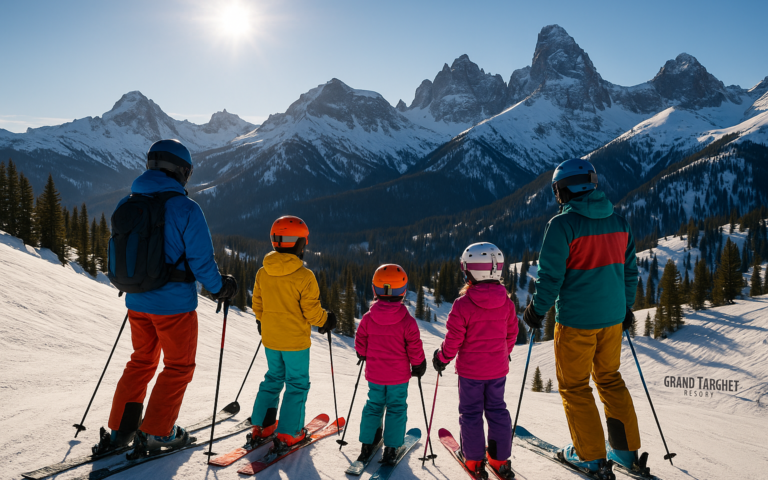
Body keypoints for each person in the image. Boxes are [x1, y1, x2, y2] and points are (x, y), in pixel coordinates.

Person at [94, 139, 238, 454]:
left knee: (141, 362)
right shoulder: (185, 207)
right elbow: (201, 262)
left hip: (136, 302)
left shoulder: (126, 203)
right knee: (178, 367)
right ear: (181, 172)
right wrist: (220, 287)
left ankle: (121, 429)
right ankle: (158, 432)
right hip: (174, 307)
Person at [523, 158, 641, 480]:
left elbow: (550, 277)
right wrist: (626, 308)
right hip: (613, 320)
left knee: (575, 387)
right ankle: (626, 452)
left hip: (577, 322)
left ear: (563, 190)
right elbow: (630, 271)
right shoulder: (619, 222)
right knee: (610, 379)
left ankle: (589, 457)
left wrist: (536, 311)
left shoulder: (562, 225)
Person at [248, 215, 336, 451]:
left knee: (273, 379)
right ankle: (289, 433)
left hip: (270, 339)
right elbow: (311, 312)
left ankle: (262, 426)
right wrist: (327, 320)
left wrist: (261, 321)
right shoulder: (304, 276)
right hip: (295, 343)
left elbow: (257, 304)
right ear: (300, 244)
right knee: (296, 383)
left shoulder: (262, 273)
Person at [433, 242, 518, 479]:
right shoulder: (507, 303)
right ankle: (500, 460)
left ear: (468, 271)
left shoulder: (463, 304)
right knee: (497, 410)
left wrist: (442, 358)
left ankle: (474, 461)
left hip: (471, 372)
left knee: (470, 413)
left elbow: (454, 340)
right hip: (498, 370)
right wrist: (503, 352)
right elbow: (511, 334)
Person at [354, 264, 426, 465]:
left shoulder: (368, 318)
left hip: (375, 375)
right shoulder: (407, 321)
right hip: (398, 377)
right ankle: (391, 448)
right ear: (403, 291)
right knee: (396, 408)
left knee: (374, 406)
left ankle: (368, 443)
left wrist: (362, 353)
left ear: (375, 289)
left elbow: (360, 342)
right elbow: (414, 347)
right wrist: (419, 364)